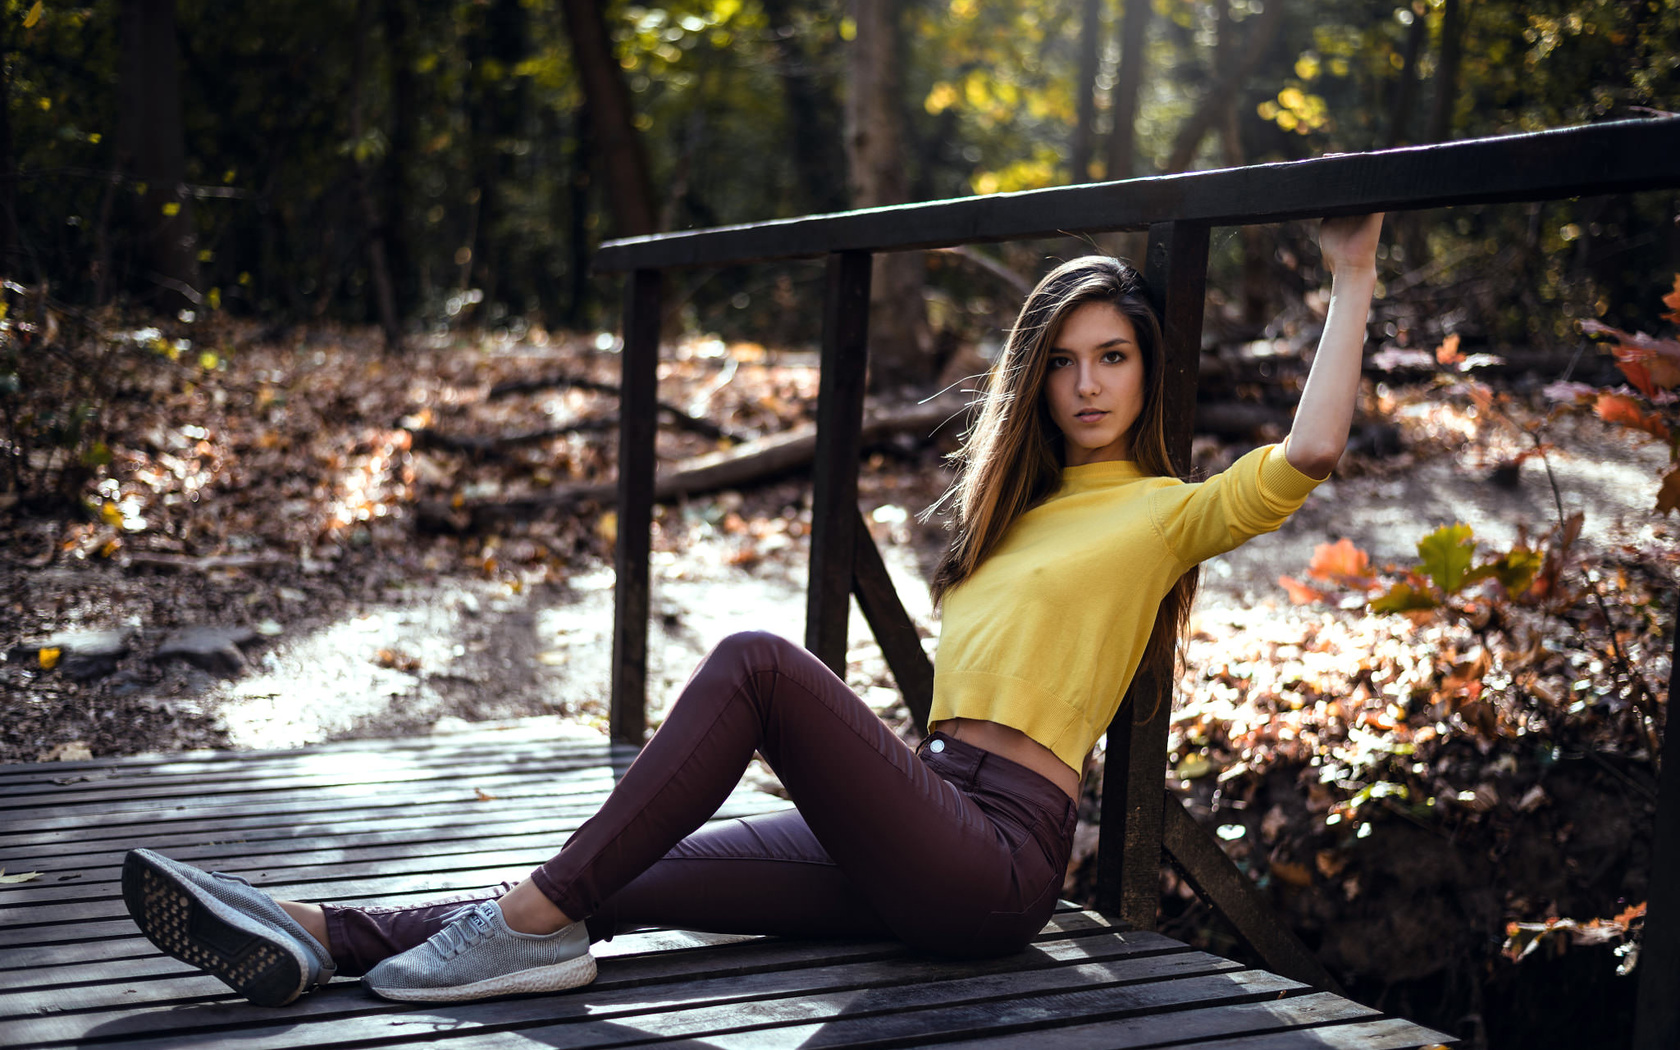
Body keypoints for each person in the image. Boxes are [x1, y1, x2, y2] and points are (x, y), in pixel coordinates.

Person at [122, 213, 1384, 1007]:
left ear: (1148, 369)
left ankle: (509, 932)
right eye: (1062, 360)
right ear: (1035, 378)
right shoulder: (1012, 517)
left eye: (1113, 356)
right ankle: (308, 932)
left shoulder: (1167, 508)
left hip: (993, 867)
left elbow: (1315, 447)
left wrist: (1353, 267)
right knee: (621, 867)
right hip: (920, 824)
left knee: (758, 663)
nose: (1087, 382)